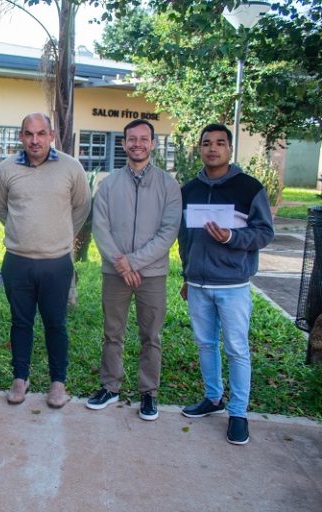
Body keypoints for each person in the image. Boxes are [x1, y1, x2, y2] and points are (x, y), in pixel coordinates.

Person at [178, 124, 274, 445]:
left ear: (230, 150)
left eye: (220, 143)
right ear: (200, 149)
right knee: (205, 344)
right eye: (206, 143)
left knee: (236, 348)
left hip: (233, 285)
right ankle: (213, 397)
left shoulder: (248, 188)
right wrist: (185, 276)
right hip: (198, 284)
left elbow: (264, 232)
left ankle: (238, 412)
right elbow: (184, 238)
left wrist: (232, 237)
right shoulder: (189, 190)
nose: (213, 148)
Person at [0, 113, 91, 408]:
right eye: (29, 134)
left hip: (56, 263)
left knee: (55, 323)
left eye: (41, 133)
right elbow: (1, 208)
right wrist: (26, 232)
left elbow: (81, 207)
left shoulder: (71, 167)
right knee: (20, 322)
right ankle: (20, 378)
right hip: (17, 262)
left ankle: (58, 381)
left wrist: (56, 234)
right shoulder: (6, 169)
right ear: (21, 137)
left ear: (52, 137)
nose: (35, 139)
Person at [87, 119, 182, 421]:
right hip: (115, 272)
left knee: (150, 334)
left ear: (153, 144)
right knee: (112, 332)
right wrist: (120, 262)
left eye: (144, 138)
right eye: (132, 139)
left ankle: (148, 393)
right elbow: (99, 227)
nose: (137, 143)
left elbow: (168, 232)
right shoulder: (109, 184)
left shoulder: (168, 185)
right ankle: (109, 386)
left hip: (151, 274)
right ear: (124, 143)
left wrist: (134, 262)